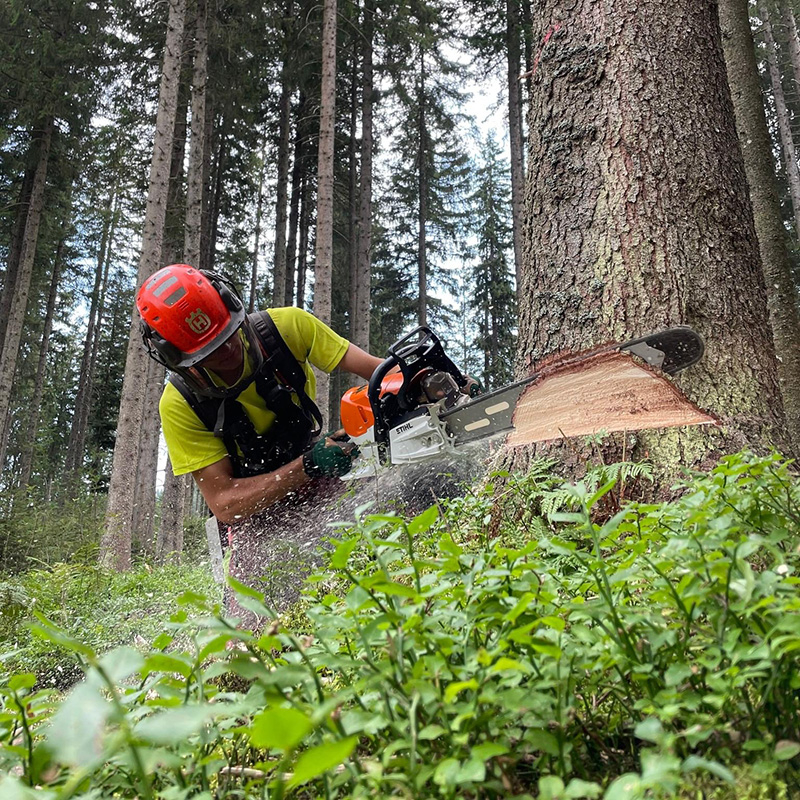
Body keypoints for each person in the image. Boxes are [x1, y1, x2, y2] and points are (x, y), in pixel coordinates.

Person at [136, 264, 385, 619]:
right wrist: (309, 465)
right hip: (253, 516)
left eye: (227, 336)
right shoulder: (180, 403)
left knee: (392, 513)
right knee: (251, 621)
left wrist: (425, 377)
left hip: (321, 477)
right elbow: (223, 502)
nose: (226, 354)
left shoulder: (286, 329)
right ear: (174, 357)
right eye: (207, 354)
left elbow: (377, 371)